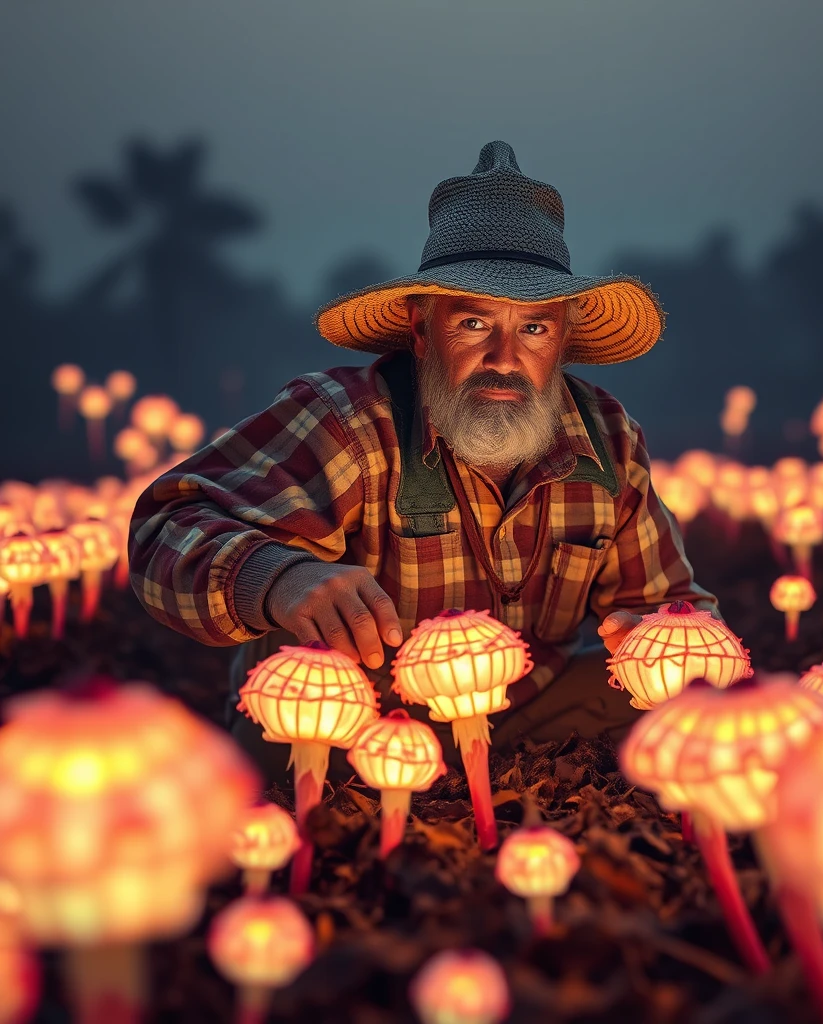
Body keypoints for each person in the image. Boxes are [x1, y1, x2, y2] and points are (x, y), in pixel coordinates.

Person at [128, 140, 718, 781]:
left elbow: (677, 606)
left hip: (528, 707)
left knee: (694, 706)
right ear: (420, 327)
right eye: (473, 323)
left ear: (564, 338)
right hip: (352, 719)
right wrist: (280, 579)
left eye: (534, 328)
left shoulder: (605, 439)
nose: (503, 356)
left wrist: (656, 634)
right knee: (263, 781)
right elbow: (167, 526)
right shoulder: (346, 424)